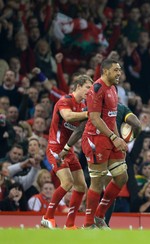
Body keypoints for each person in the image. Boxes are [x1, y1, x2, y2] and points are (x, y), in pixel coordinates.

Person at [40, 75, 93, 230]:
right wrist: (89, 114)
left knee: (81, 187)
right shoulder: (64, 101)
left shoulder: (83, 105)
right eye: (87, 87)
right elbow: (68, 116)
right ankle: (47, 217)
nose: (90, 91)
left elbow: (81, 130)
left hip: (68, 150)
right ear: (78, 86)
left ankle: (69, 224)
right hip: (54, 148)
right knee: (68, 182)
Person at [81, 59, 128, 229]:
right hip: (95, 139)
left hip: (110, 138)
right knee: (98, 182)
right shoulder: (96, 89)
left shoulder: (114, 89)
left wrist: (118, 139)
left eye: (120, 70)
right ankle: (88, 224)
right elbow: (94, 118)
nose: (119, 73)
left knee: (122, 177)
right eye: (115, 70)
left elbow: (111, 117)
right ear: (105, 71)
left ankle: (100, 216)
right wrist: (114, 137)